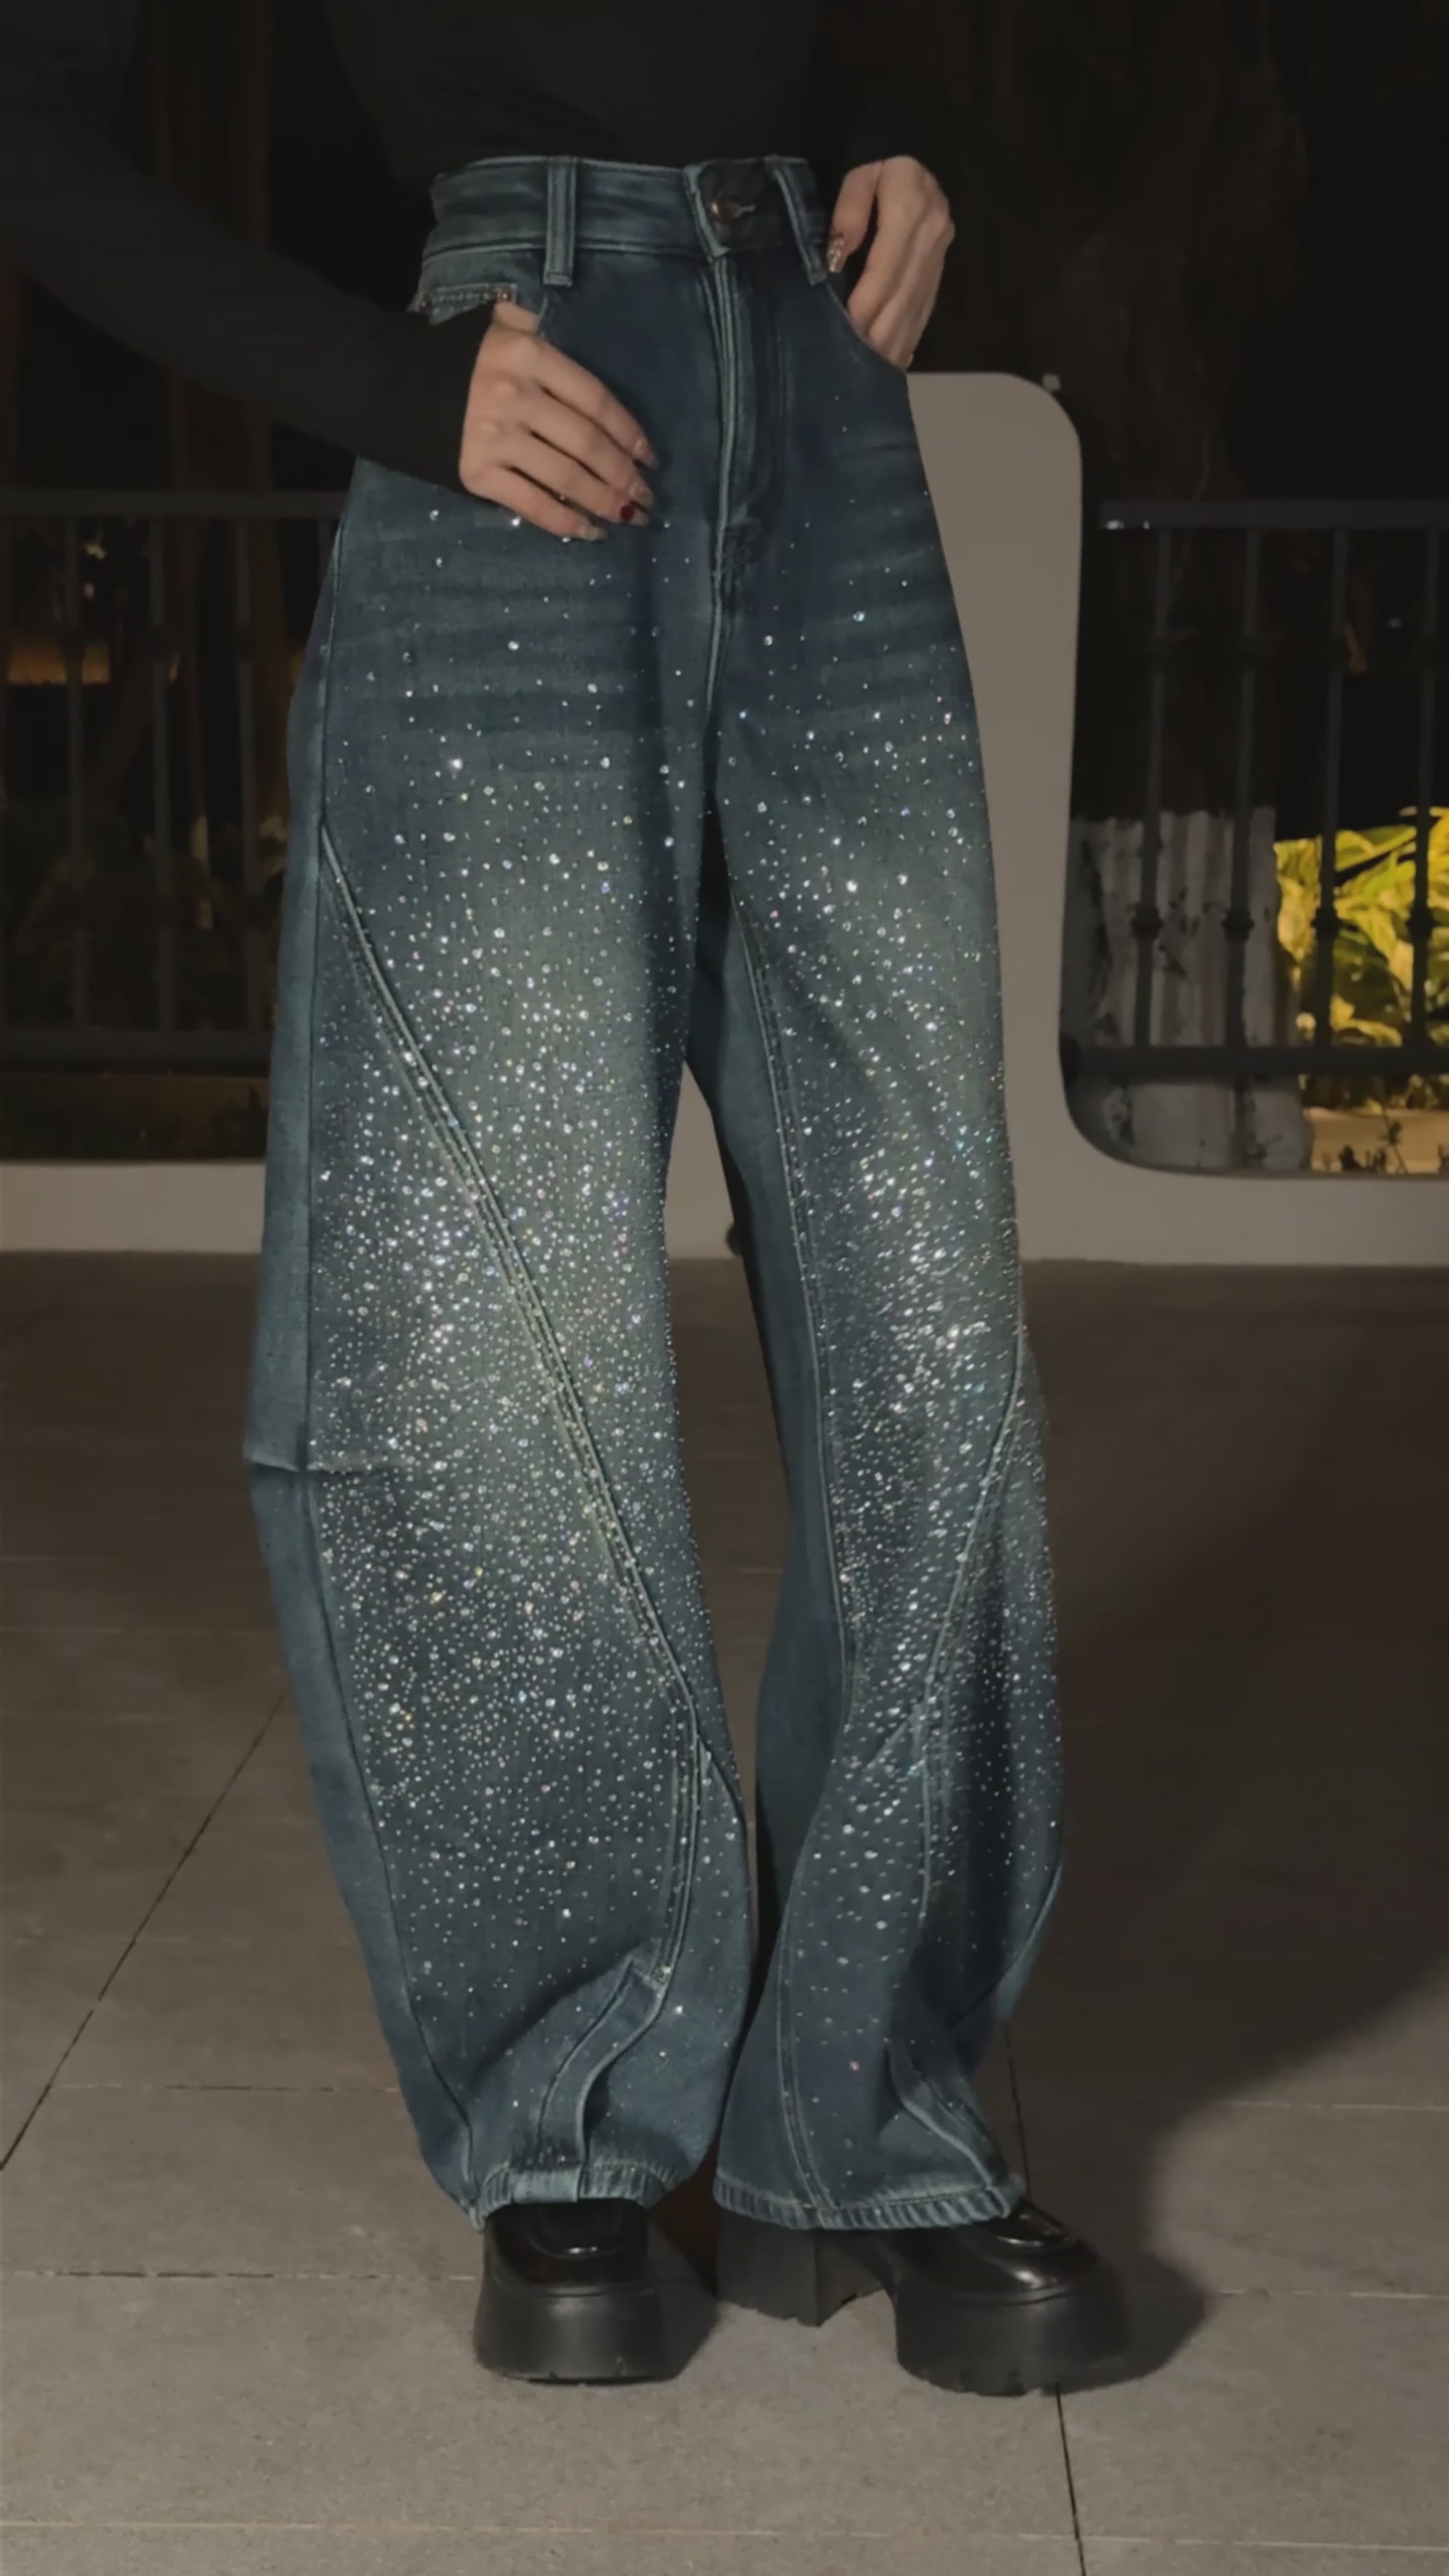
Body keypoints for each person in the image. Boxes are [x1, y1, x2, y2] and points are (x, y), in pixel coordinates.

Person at [1, 0, 1127, 2393]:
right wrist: (393, 385)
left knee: (928, 1317)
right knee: (493, 1340)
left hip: (827, 414)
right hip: (516, 434)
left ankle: (874, 2122)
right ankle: (578, 2119)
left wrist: (905, 139)